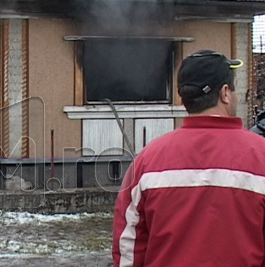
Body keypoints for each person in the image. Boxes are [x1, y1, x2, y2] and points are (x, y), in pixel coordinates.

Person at [113, 49, 265, 267]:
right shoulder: (261, 156)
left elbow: (128, 247)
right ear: (224, 93)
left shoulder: (147, 161)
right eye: (235, 89)